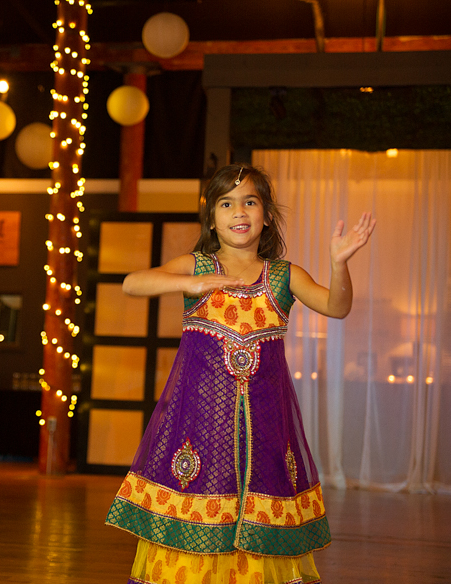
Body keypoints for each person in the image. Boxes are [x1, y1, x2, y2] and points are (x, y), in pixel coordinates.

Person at [105, 164, 375, 584]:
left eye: (250, 201)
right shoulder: (196, 268)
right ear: (212, 218)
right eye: (226, 203)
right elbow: (131, 283)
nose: (239, 211)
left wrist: (339, 264)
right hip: (199, 427)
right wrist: (192, 285)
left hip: (264, 429)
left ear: (266, 215)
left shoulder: (283, 276)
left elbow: (337, 307)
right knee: (201, 510)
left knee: (255, 519)